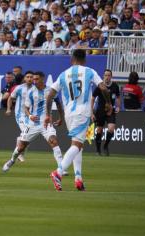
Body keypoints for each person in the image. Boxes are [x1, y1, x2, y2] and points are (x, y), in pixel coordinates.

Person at [45, 49, 112, 191]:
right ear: (84, 59)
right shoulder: (89, 71)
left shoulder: (64, 74)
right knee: (77, 145)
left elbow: (50, 95)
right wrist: (108, 103)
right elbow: (104, 89)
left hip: (69, 113)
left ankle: (78, 179)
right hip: (82, 112)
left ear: (72, 59)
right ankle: (58, 172)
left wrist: (47, 114)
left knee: (77, 145)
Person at [2, 72, 64, 174]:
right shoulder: (31, 92)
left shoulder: (51, 91)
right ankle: (12, 160)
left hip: (46, 122)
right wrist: (30, 115)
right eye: (33, 79)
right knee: (21, 147)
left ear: (42, 79)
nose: (34, 81)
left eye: (36, 79)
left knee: (53, 141)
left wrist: (61, 118)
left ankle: (61, 168)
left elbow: (58, 103)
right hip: (33, 124)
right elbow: (26, 108)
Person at [91, 69, 121, 156]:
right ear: (103, 76)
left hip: (110, 110)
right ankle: (98, 150)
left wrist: (118, 106)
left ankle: (105, 146)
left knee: (111, 128)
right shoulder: (100, 86)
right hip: (100, 111)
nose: (107, 77)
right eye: (105, 75)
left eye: (109, 75)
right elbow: (92, 98)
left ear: (111, 76)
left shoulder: (115, 86)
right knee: (99, 130)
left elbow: (118, 97)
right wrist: (92, 112)